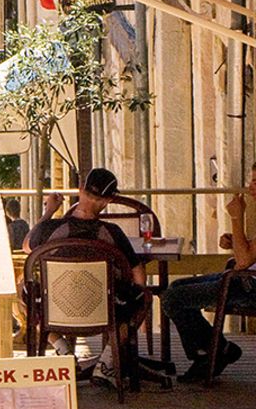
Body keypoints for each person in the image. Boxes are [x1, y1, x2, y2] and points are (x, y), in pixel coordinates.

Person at [28, 168, 145, 385]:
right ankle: (107, 362)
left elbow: (28, 246)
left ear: (81, 190)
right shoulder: (112, 233)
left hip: (56, 308)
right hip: (103, 310)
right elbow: (139, 275)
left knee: (24, 294)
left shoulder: (51, 229)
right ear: (108, 200)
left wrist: (48, 212)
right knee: (141, 298)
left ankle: (63, 351)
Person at [160, 165, 256, 382]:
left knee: (172, 298)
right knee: (174, 289)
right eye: (251, 181)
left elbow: (243, 261)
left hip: (248, 285)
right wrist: (236, 239)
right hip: (243, 277)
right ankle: (217, 349)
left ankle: (208, 354)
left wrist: (236, 218)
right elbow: (248, 254)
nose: (251, 188)